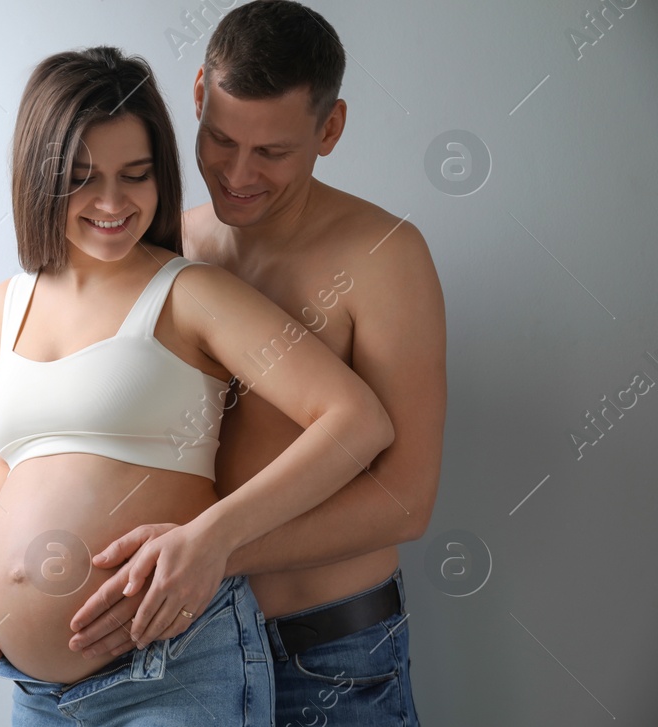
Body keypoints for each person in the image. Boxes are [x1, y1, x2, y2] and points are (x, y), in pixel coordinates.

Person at [0, 45, 394, 724]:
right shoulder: (7, 303)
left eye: (136, 175)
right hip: (32, 688)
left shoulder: (189, 292)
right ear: (39, 175)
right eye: (82, 178)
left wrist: (213, 538)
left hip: (172, 669)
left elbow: (356, 419)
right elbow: (21, 458)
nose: (113, 202)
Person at [64, 3, 447, 725]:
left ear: (329, 130)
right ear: (200, 94)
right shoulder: (162, 240)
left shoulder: (384, 257)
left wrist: (217, 546)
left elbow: (407, 500)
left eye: (272, 152)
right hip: (182, 655)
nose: (238, 173)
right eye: (220, 140)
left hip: (328, 654)